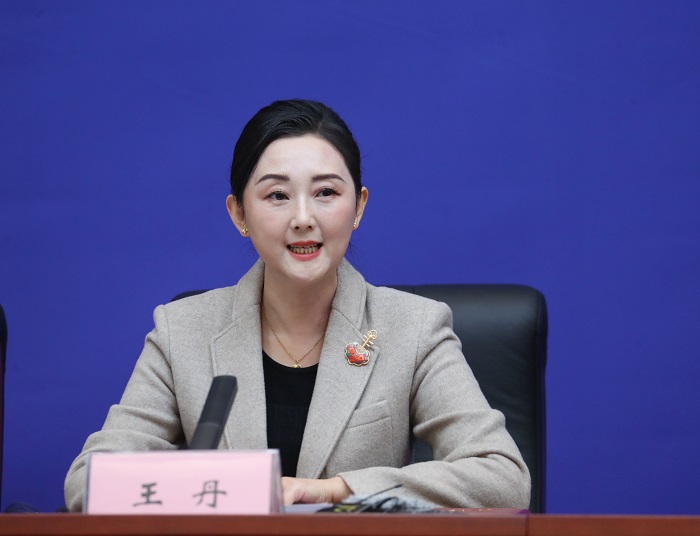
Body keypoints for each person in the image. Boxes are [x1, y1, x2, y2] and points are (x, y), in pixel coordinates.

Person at [64, 99, 530, 511]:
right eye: (277, 196)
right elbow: (88, 482)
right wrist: (209, 491)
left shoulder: (413, 328)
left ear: (358, 206)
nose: (303, 218)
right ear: (239, 214)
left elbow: (503, 478)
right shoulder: (182, 331)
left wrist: (337, 490)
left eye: (326, 192)